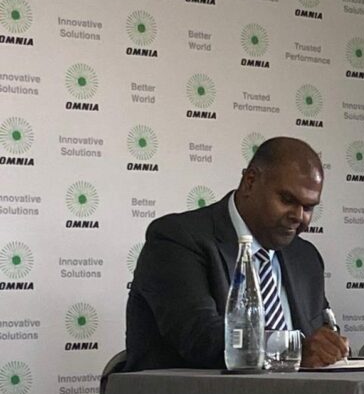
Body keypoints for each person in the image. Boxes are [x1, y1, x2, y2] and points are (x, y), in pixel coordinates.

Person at [125, 136, 349, 371]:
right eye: (287, 200)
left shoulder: (305, 257)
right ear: (250, 182)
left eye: (309, 207)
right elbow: (201, 339)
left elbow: (321, 336)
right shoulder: (177, 239)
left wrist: (331, 348)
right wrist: (292, 350)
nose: (299, 216)